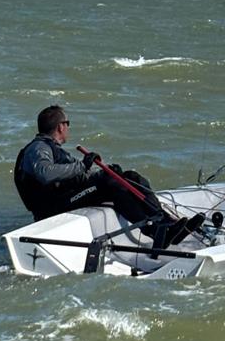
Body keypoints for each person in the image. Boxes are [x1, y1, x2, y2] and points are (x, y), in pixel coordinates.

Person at [14, 105, 200, 247]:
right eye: (67, 124)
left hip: (64, 198)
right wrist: (82, 166)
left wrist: (105, 170)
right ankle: (153, 230)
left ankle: (166, 223)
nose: (68, 128)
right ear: (61, 126)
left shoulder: (54, 149)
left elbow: (76, 179)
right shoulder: (38, 148)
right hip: (52, 208)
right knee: (109, 183)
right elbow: (46, 174)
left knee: (130, 177)